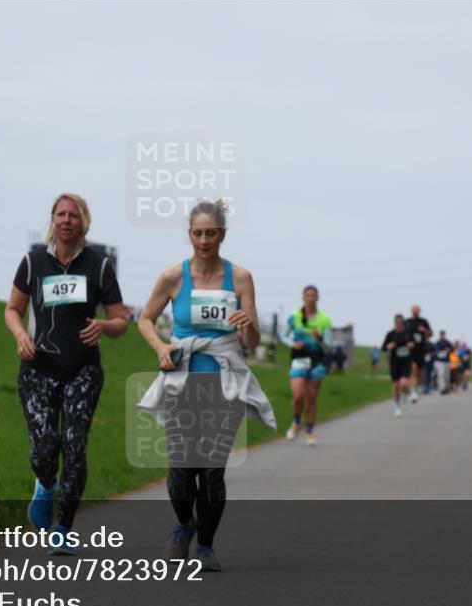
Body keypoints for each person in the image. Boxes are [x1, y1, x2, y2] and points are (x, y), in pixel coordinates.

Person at [137, 199, 276, 572]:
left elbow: (251, 343)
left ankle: (207, 548)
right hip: (182, 384)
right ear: (189, 235)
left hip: (224, 384)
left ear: (222, 235)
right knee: (183, 471)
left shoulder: (241, 278)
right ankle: (184, 524)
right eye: (197, 233)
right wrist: (161, 346)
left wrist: (248, 323)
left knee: (212, 470)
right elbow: (146, 320)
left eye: (210, 233)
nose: (203, 240)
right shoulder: (173, 277)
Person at [5, 193, 129, 555]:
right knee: (44, 450)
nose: (66, 220)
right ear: (53, 220)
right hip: (38, 367)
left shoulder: (99, 266)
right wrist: (20, 335)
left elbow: (121, 319)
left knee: (74, 448)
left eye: (74, 215)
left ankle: (63, 528)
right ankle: (45, 485)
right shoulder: (33, 263)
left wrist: (104, 327)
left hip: (82, 370)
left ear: (83, 222)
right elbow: (13, 309)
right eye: (61, 214)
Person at [281, 285, 332, 445]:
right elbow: (283, 335)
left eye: (313, 295)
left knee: (311, 398)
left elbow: (329, 346)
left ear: (318, 298)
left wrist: (320, 338)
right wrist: (292, 344)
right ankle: (296, 422)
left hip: (317, 362)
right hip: (298, 359)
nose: (310, 298)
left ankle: (309, 431)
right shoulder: (294, 317)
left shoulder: (324, 319)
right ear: (303, 297)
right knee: (298, 396)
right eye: (307, 295)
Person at [382, 314, 416, 417]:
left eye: (401, 322)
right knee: (396, 385)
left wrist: (412, 345)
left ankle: (407, 393)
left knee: (404, 383)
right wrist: (389, 346)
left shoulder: (408, 333)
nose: (399, 324)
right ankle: (397, 406)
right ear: (395, 323)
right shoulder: (390, 334)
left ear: (403, 323)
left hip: (405, 362)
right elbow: (383, 347)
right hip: (394, 363)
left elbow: (414, 343)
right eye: (397, 322)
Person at [404, 305, 432, 403]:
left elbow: (431, 333)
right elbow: (401, 334)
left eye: (418, 310)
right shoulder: (407, 322)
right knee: (413, 369)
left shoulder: (423, 322)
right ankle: (412, 392)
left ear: (420, 311)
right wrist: (407, 343)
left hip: (421, 350)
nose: (416, 311)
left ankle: (416, 388)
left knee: (421, 373)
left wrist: (425, 331)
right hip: (411, 351)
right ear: (411, 310)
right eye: (414, 309)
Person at [433, 330, 454, 395]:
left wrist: (449, 350)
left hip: (446, 361)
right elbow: (434, 352)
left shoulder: (448, 343)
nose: (442, 335)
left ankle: (447, 387)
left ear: (445, 335)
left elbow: (452, 350)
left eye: (443, 334)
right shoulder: (437, 343)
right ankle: (442, 388)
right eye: (441, 334)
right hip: (439, 361)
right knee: (440, 374)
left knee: (447, 376)